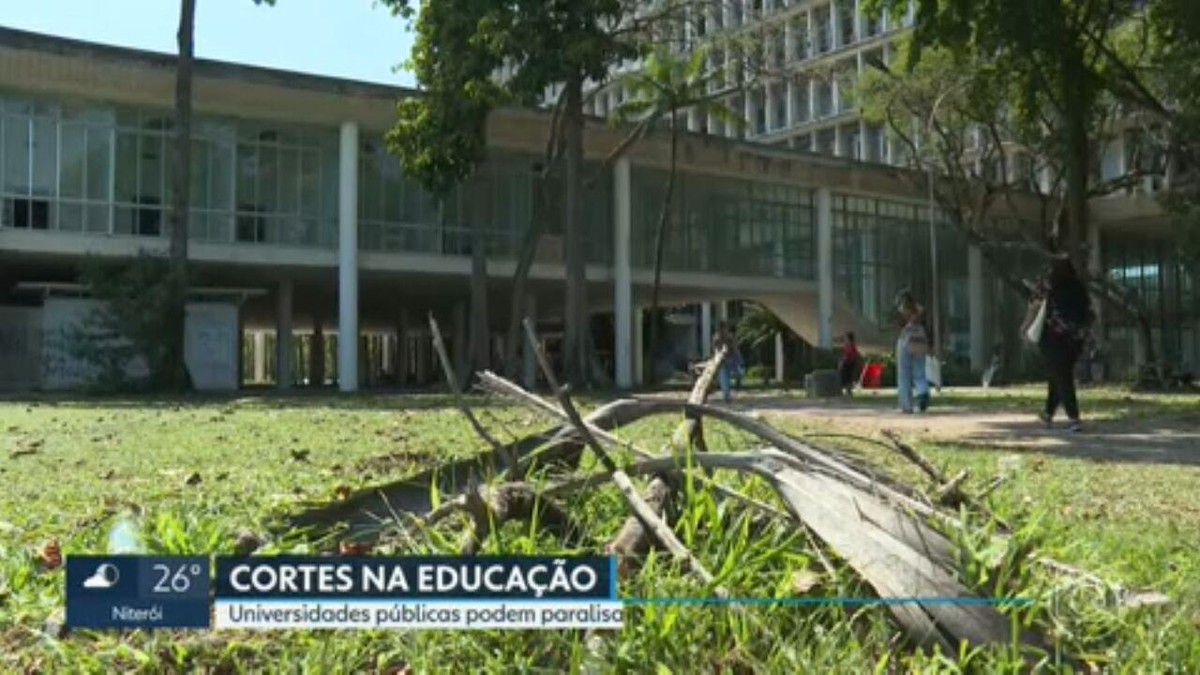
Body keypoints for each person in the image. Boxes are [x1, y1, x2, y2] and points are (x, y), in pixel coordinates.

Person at [1029, 255, 1093, 432]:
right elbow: (1087, 313)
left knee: (1062, 378)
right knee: (1057, 376)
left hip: (1054, 340)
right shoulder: (1079, 288)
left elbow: (1035, 304)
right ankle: (1048, 414)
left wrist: (1026, 326)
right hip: (1074, 341)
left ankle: (1074, 418)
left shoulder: (1050, 289)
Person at [895, 291, 931, 414]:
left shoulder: (902, 310)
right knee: (920, 371)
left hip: (906, 337)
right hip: (920, 337)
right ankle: (923, 391)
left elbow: (898, 325)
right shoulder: (920, 310)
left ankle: (906, 405)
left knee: (904, 373)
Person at [712, 320, 738, 403]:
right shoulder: (720, 337)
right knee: (724, 378)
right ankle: (726, 395)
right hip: (723, 359)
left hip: (727, 359)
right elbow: (715, 348)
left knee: (726, 378)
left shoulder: (721, 336)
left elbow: (733, 348)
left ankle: (727, 394)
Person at [837, 331, 862, 396]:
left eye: (846, 338)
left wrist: (842, 362)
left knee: (846, 378)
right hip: (849, 364)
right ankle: (848, 391)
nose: (845, 340)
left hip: (849, 364)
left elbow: (848, 356)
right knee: (847, 378)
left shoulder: (850, 346)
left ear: (849, 339)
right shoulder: (849, 346)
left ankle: (847, 391)